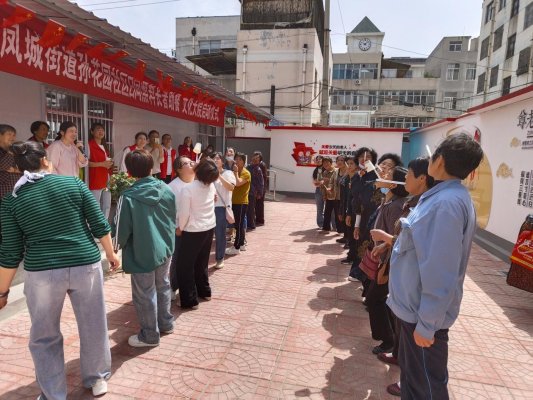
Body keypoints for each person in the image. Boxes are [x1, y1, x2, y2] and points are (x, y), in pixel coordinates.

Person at [0, 141, 120, 399]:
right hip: (85, 264)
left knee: (44, 335)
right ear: (45, 160)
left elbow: (10, 253)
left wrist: (2, 292)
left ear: (20, 168)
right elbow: (99, 223)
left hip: (43, 273)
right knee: (94, 324)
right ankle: (97, 378)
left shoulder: (12, 201)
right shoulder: (73, 183)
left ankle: (53, 393)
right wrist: (111, 255)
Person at [387, 133, 483, 400]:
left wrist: (427, 324)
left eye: (432, 155)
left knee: (426, 389)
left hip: (422, 316)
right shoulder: (445, 196)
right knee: (416, 382)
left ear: (439, 161)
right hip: (415, 310)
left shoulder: (445, 204)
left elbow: (440, 270)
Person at [370, 157, 435, 397]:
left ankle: (408, 380)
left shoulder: (428, 206)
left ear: (422, 178)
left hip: (412, 284)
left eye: (407, 174)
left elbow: (418, 244)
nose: (403, 178)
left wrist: (387, 240)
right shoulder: (415, 203)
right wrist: (386, 245)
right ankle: (399, 359)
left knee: (413, 339)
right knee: (402, 328)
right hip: (401, 276)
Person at [114, 149, 176, 347]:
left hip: (141, 250)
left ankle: (149, 335)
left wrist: (114, 249)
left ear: (130, 172)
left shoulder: (129, 196)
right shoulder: (166, 189)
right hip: (165, 247)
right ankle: (165, 323)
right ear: (151, 167)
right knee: (163, 285)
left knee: (144, 293)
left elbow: (121, 229)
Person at [365, 166, 409, 356]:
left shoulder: (398, 206)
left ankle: (389, 340)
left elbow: (396, 237)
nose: (381, 176)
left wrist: (385, 249)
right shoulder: (389, 201)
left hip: (390, 262)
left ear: (393, 184)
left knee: (376, 299)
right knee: (381, 300)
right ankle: (392, 340)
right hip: (385, 258)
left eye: (387, 175)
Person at [348, 151, 402, 281]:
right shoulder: (371, 182)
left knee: (376, 254)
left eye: (389, 166)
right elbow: (358, 202)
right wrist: (357, 224)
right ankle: (360, 273)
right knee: (362, 249)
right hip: (366, 223)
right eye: (383, 163)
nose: (384, 167)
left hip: (382, 229)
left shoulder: (395, 189)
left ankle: (370, 280)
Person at [176, 159, 219, 309]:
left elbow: (184, 213)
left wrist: (180, 227)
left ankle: (189, 299)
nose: (193, 163)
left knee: (185, 266)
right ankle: (204, 291)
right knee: (201, 262)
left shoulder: (188, 189)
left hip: (193, 230)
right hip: (209, 227)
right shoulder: (210, 185)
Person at [168, 156, 196, 298]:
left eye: (192, 162)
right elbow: (167, 211)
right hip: (178, 229)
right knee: (176, 259)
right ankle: (173, 287)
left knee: (192, 260)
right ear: (179, 169)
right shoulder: (172, 187)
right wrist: (175, 227)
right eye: (187, 163)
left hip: (196, 229)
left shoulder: (198, 183)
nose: (192, 164)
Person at [213, 152, 236, 269]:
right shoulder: (208, 175)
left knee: (220, 234)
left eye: (218, 158)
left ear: (222, 161)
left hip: (221, 208)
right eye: (213, 158)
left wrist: (219, 176)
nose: (215, 160)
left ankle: (219, 258)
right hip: (208, 208)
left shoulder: (228, 173)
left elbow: (231, 187)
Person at [226, 153, 251, 255]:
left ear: (244, 162)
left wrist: (235, 172)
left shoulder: (246, 173)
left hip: (241, 202)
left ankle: (236, 247)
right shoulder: (233, 172)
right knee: (237, 224)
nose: (237, 161)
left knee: (239, 225)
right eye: (236, 159)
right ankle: (241, 244)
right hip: (234, 201)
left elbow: (238, 183)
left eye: (240, 159)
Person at [88, 122, 113, 219]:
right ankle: (96, 226)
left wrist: (109, 164)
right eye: (98, 129)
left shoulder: (104, 146)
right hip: (95, 178)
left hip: (106, 178)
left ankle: (105, 223)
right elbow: (86, 162)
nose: (101, 131)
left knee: (107, 203)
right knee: (95, 204)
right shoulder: (89, 145)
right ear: (92, 131)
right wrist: (102, 164)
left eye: (102, 130)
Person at [338, 156, 357, 248]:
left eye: (351, 163)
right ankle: (346, 238)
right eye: (348, 163)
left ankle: (350, 242)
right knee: (345, 220)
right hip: (345, 200)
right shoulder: (347, 175)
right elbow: (341, 184)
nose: (349, 165)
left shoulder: (357, 177)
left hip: (353, 204)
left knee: (351, 223)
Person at [0, 124, 21, 200]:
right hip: (3, 196)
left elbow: (27, 168)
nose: (12, 138)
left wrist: (17, 170)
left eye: (14, 135)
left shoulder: (14, 152)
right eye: (9, 134)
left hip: (15, 195)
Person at [246, 153, 265, 231]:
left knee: (251, 209)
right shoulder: (248, 167)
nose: (255, 160)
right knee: (248, 208)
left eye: (257, 159)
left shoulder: (258, 169)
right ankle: (249, 223)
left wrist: (260, 192)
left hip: (253, 192)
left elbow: (261, 182)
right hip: (247, 190)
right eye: (254, 158)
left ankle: (251, 225)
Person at [320, 157, 339, 232]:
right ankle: (326, 228)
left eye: (327, 162)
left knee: (337, 214)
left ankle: (339, 229)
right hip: (328, 196)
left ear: (331, 163)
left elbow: (337, 183)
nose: (325, 164)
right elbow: (323, 186)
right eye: (324, 163)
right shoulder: (324, 172)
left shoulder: (336, 171)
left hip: (336, 196)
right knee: (327, 213)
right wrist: (324, 195)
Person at [334, 155, 347, 237]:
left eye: (342, 160)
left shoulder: (348, 171)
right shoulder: (336, 171)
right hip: (337, 196)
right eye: (338, 160)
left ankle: (346, 234)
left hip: (345, 198)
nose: (339, 162)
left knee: (344, 215)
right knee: (337, 215)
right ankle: (340, 231)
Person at [254, 151, 268, 226]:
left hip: (261, 188)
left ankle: (260, 220)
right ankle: (258, 219)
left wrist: (261, 190)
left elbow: (262, 178)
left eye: (257, 156)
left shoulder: (261, 164)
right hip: (258, 188)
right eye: (255, 156)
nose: (256, 158)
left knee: (259, 205)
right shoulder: (257, 164)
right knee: (257, 204)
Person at [312, 155, 325, 228]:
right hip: (319, 190)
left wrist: (322, 182)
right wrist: (316, 182)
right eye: (317, 159)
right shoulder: (315, 170)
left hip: (327, 190)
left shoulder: (327, 168)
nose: (318, 160)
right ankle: (321, 224)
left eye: (320, 159)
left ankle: (332, 225)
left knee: (330, 208)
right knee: (319, 208)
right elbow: (314, 180)